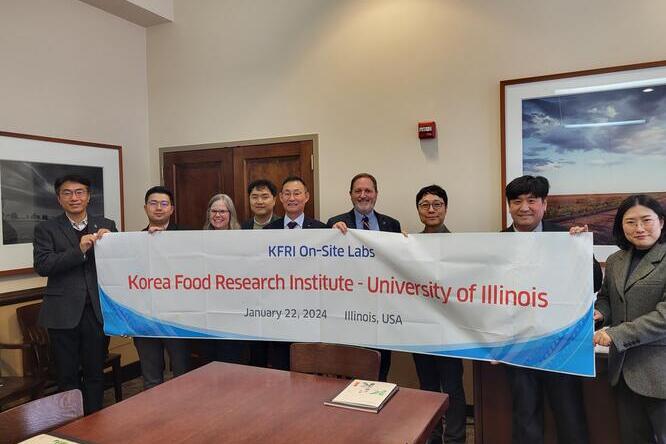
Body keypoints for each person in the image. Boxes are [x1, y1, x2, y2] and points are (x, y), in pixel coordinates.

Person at [502, 175, 601, 444]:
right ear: (509, 206)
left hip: (562, 342)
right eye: (517, 201)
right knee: (525, 417)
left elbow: (594, 282)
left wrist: (583, 250)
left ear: (544, 204)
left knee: (569, 414)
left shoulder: (565, 237)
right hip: (518, 344)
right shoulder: (496, 242)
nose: (524, 207)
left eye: (532, 200)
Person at [33, 174, 116, 414]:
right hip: (62, 314)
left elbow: (120, 263)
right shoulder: (46, 228)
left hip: (97, 312)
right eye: (67, 193)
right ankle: (72, 425)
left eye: (80, 192)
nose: (74, 197)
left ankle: (95, 422)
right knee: (67, 376)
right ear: (59, 199)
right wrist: (78, 250)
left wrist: (112, 245)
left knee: (95, 373)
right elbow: (43, 265)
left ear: (89, 197)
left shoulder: (106, 225)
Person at [593, 194, 666, 443]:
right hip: (623, 371)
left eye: (646, 220)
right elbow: (607, 298)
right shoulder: (615, 260)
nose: (639, 228)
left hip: (660, 372)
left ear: (661, 222)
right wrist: (600, 313)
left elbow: (664, 317)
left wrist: (614, 334)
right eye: (630, 222)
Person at [327, 172, 401, 381]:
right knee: (350, 372)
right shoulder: (335, 223)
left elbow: (398, 265)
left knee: (380, 369)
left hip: (381, 312)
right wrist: (330, 237)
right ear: (350, 194)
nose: (363, 195)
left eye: (368, 190)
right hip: (349, 313)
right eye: (358, 191)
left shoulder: (391, 225)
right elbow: (325, 267)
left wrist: (406, 243)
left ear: (376, 194)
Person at [413, 185, 466, 444]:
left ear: (445, 208)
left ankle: (455, 439)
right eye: (425, 205)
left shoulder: (460, 246)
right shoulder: (408, 245)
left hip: (451, 330)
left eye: (437, 204)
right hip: (419, 330)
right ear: (418, 211)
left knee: (453, 387)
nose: (431, 209)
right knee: (428, 388)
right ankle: (432, 438)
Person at [264, 176, 327, 369]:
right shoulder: (267, 231)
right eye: (287, 193)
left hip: (310, 314)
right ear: (280, 198)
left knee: (309, 373)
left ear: (306, 197)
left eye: (297, 193)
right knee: (279, 370)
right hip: (277, 314)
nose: (292, 198)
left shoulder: (322, 229)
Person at [133, 186, 191, 389]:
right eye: (153, 203)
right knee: (151, 377)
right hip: (145, 317)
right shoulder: (132, 241)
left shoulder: (187, 236)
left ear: (172, 209)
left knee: (182, 373)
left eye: (164, 204)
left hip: (179, 319)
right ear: (145, 208)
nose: (158, 208)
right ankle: (155, 419)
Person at [203, 193, 248, 363]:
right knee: (210, 360)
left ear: (231, 214)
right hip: (208, 314)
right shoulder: (197, 239)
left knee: (232, 359)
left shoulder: (243, 239)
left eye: (223, 211)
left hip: (234, 313)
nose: (217, 215)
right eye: (213, 211)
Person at [240, 179, 279, 367]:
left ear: (274, 199)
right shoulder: (242, 228)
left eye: (265, 197)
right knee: (256, 355)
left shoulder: (283, 226)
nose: (259, 201)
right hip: (251, 301)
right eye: (254, 197)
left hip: (278, 300)